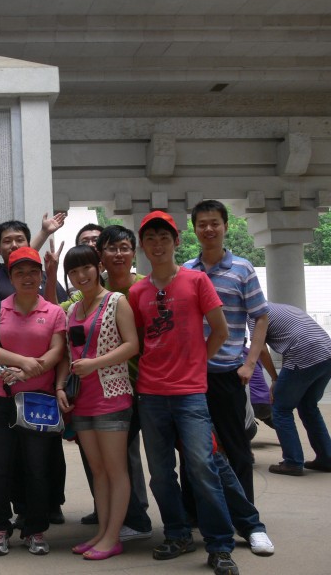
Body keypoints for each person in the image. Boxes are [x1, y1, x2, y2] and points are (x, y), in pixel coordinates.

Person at [128, 210, 240, 575]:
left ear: (176, 241)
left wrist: (197, 364)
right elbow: (140, 341)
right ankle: (176, 534)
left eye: (164, 237)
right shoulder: (138, 292)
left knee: (202, 467)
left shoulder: (196, 281)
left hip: (190, 393)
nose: (157, 245)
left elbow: (220, 331)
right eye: (150, 239)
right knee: (160, 473)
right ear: (142, 246)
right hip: (151, 394)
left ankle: (220, 545)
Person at [0, 219, 68, 527]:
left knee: (36, 468)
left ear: (41, 275)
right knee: (0, 467)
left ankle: (35, 528)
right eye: (19, 272)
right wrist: (23, 363)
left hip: (38, 398)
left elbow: (58, 351)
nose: (27, 278)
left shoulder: (54, 311)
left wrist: (28, 371)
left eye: (32, 272)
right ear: (10, 276)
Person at [55, 244, 138, 560]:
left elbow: (132, 345)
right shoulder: (72, 310)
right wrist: (61, 386)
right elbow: (68, 354)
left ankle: (113, 537)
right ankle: (102, 532)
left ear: (98, 267)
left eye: (85, 268)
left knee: (116, 470)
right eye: (73, 271)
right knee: (98, 470)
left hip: (112, 395)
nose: (80, 276)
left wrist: (96, 363)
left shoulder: (116, 301)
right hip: (82, 400)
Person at [184, 199, 268, 503]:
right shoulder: (186, 271)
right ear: (194, 229)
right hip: (192, 377)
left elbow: (260, 316)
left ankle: (245, 514)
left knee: (236, 447)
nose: (209, 229)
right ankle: (194, 512)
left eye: (214, 223)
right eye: (202, 224)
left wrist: (250, 364)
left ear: (226, 226)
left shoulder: (242, 269)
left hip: (227, 373)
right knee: (193, 448)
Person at [249, 302, 331, 476]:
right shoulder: (282, 308)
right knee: (308, 406)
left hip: (305, 354)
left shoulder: (255, 314)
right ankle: (326, 458)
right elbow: (291, 343)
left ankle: (292, 462)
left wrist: (275, 378)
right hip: (326, 354)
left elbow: (261, 349)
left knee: (280, 408)